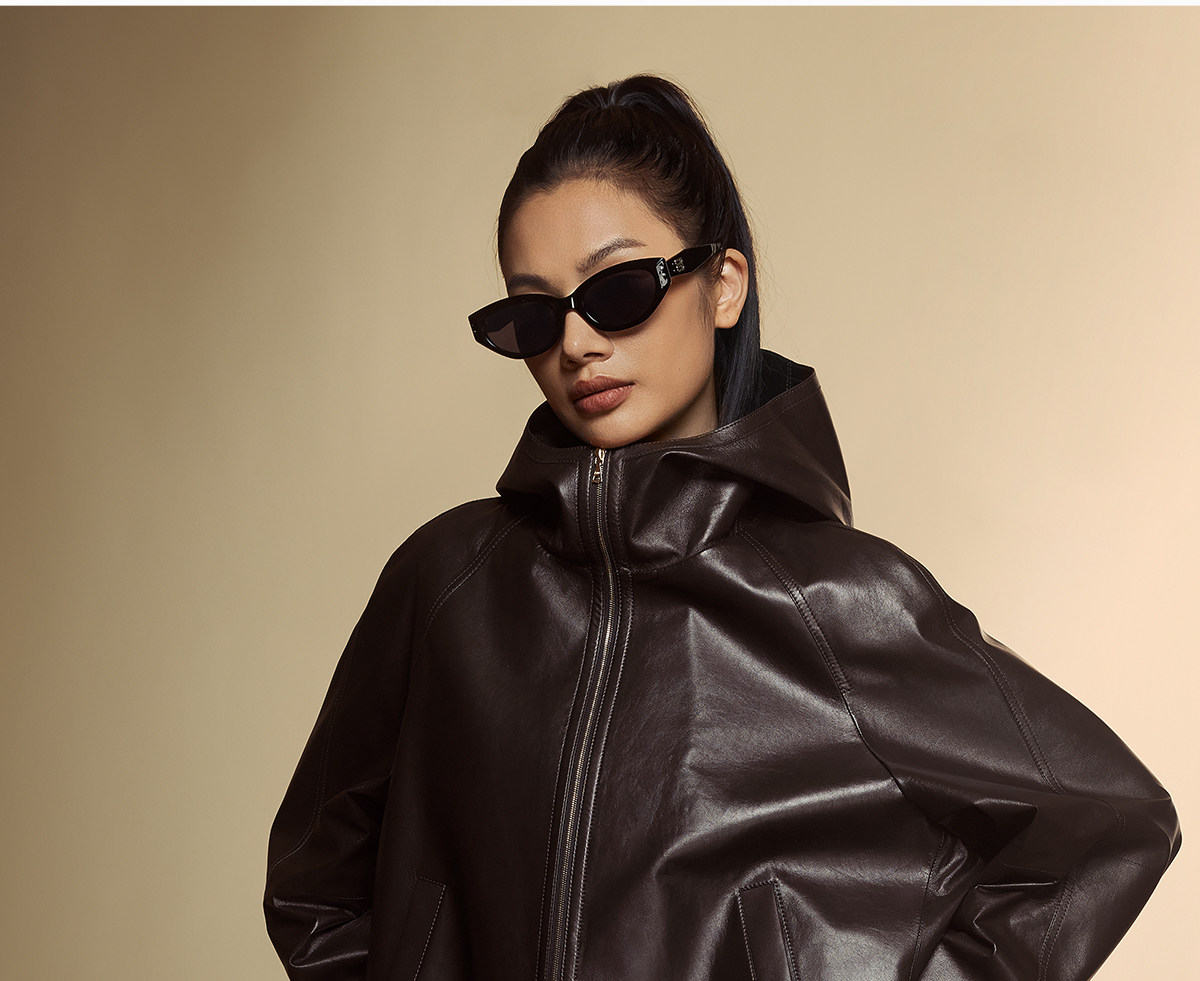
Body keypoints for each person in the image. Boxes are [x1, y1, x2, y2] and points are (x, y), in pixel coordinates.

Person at [264, 75, 1180, 981]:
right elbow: (315, 886)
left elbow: (1109, 823)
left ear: (723, 284)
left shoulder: (841, 603)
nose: (577, 344)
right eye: (534, 315)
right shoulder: (445, 583)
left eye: (618, 290)